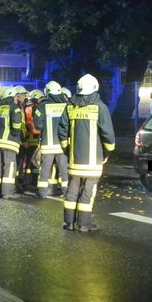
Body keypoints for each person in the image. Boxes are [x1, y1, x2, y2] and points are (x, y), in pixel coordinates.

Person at [57, 73, 115, 232]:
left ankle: (68, 223)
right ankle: (83, 224)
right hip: (93, 162)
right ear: (95, 88)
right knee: (88, 192)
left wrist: (67, 149)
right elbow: (108, 134)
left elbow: (62, 131)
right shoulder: (100, 107)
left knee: (72, 190)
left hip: (74, 160)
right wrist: (108, 151)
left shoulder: (70, 106)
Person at [0, 86, 25, 198]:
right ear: (12, 96)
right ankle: (7, 193)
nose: (17, 98)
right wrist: (16, 133)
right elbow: (17, 122)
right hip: (9, 143)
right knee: (9, 167)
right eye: (16, 96)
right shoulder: (14, 108)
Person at [33, 81, 70, 198]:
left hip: (47, 145)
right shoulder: (67, 106)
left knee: (45, 170)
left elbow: (38, 125)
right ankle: (66, 192)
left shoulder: (43, 106)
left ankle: (42, 193)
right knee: (64, 170)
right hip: (63, 145)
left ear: (47, 92)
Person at [18, 89, 44, 192]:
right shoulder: (35, 108)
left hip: (25, 139)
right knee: (35, 163)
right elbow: (34, 123)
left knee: (25, 162)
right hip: (34, 139)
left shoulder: (24, 107)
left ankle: (23, 181)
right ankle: (33, 182)